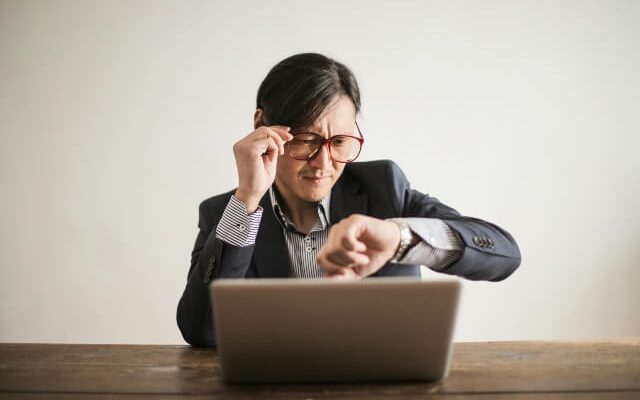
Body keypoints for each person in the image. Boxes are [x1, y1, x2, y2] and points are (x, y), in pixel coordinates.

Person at [177, 53, 521, 347]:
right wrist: (248, 200)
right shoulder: (226, 214)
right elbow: (201, 331)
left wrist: (399, 240)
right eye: (306, 140)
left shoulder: (383, 187)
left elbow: (503, 254)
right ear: (262, 127)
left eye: (340, 142)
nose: (323, 165)